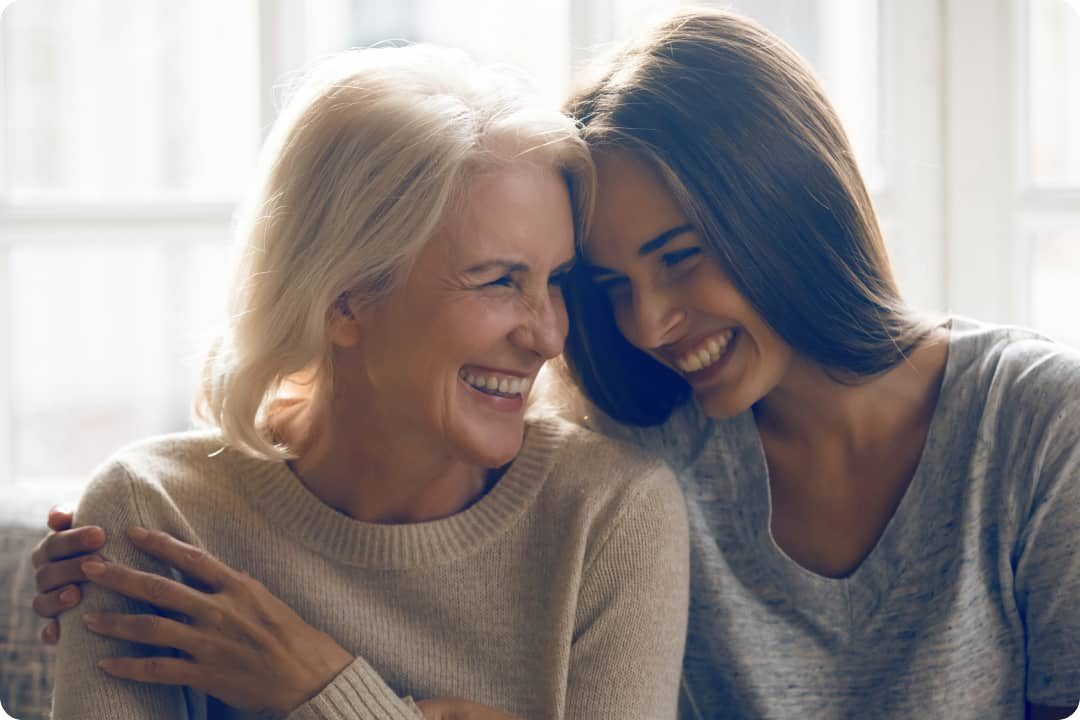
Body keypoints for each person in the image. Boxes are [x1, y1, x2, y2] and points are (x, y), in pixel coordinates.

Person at [32, 8, 1080, 720]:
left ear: (783, 209)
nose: (643, 324)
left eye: (680, 257)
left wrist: (329, 692)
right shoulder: (644, 433)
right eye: (606, 285)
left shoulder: (1035, 430)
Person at [32, 43, 689, 720]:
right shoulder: (154, 515)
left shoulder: (610, 513)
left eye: (555, 281)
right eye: (499, 281)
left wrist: (321, 693)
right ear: (344, 299)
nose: (549, 338)